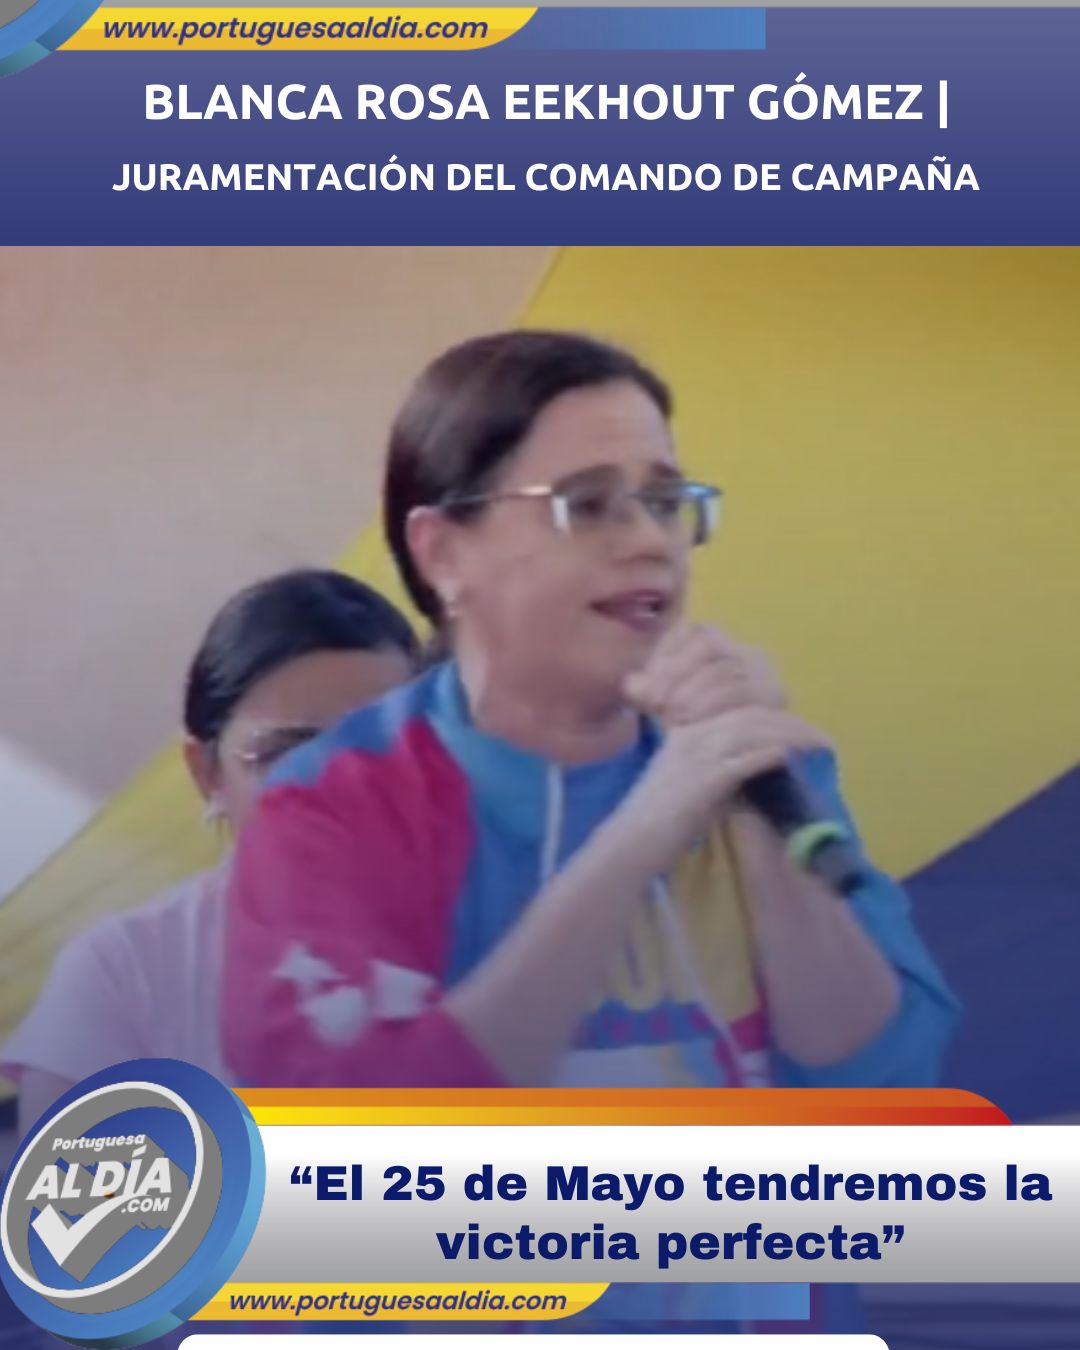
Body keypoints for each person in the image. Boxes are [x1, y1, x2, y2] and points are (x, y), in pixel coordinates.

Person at [223, 331, 959, 1095]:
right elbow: (359, 1122)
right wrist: (644, 831)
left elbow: (885, 1088)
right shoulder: (333, 804)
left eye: (664, 503)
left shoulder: (753, 755)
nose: (649, 541)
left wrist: (756, 821)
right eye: (588, 505)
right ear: (443, 553)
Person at [3, 569, 418, 1138]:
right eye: (287, 756)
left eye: (379, 748)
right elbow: (72, 1195)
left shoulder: (512, 940)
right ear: (208, 774)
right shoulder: (125, 973)